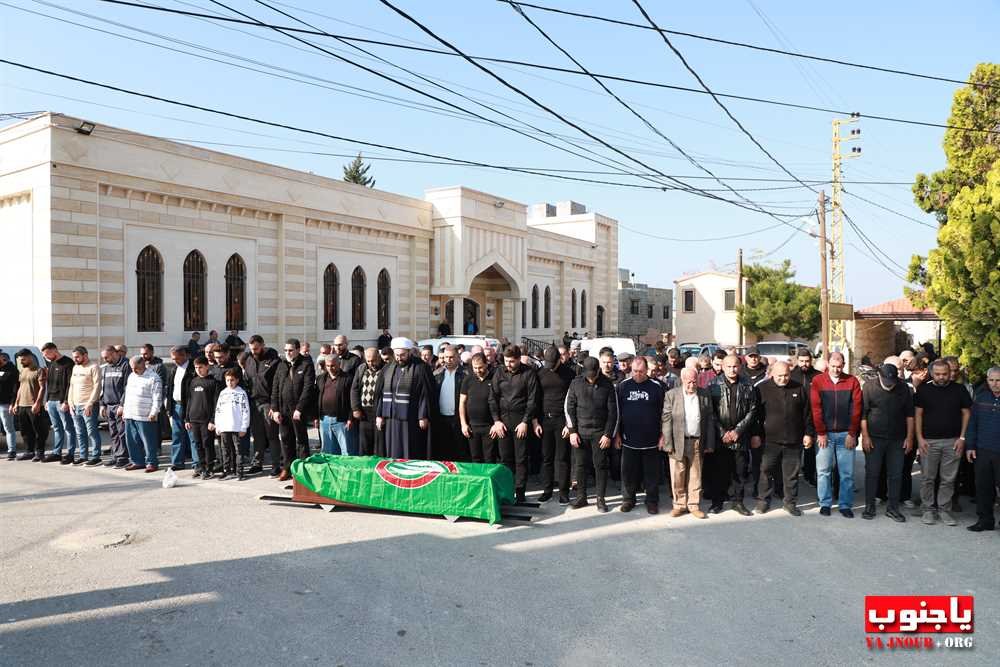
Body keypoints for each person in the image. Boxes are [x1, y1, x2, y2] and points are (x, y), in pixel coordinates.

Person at [914, 358, 972, 526]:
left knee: (948, 479)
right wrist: (920, 438)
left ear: (950, 373)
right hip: (928, 442)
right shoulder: (923, 390)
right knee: (927, 478)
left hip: (952, 441)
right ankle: (928, 510)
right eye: (938, 374)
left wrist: (962, 438)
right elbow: (918, 415)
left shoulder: (959, 390)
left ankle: (944, 510)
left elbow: (966, 414)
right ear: (932, 373)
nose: (941, 377)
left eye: (944, 374)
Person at [754, 361, 813, 516]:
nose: (783, 378)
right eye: (780, 376)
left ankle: (790, 503)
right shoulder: (762, 389)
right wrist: (756, 435)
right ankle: (763, 502)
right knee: (766, 471)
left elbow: (807, 414)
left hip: (794, 440)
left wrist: (808, 433)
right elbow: (755, 416)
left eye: (786, 375)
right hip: (769, 441)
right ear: (772, 373)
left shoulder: (799, 388)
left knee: (791, 475)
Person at [860, 363, 914, 522]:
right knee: (872, 473)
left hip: (897, 439)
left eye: (892, 381)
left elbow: (910, 415)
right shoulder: (869, 388)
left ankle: (893, 508)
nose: (890, 385)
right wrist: (865, 436)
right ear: (880, 376)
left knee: (896, 474)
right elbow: (863, 415)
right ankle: (869, 506)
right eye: (886, 381)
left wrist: (909, 438)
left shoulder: (903, 388)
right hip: (874, 438)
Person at [810, 352, 862, 518]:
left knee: (847, 473)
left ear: (844, 365)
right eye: (833, 366)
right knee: (823, 471)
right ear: (828, 364)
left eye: (839, 366)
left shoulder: (852, 381)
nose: (836, 369)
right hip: (825, 435)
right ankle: (825, 503)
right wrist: (821, 432)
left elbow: (856, 409)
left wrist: (852, 433)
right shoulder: (818, 381)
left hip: (845, 434)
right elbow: (816, 408)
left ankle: (845, 505)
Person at [565, 356, 618, 512]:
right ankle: (581, 497)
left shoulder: (607, 385)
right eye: (587, 374)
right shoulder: (575, 384)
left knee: (600, 466)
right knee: (580, 466)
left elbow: (613, 413)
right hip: (580, 432)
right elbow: (570, 408)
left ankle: (600, 499)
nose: (590, 377)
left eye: (593, 374)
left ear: (598, 371)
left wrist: (608, 434)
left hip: (600, 433)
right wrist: (572, 431)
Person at [707, 354, 759, 516]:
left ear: (740, 366)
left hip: (740, 436)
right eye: (728, 366)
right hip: (720, 437)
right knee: (719, 471)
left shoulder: (748, 385)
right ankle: (717, 502)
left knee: (740, 471)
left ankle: (738, 501)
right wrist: (722, 432)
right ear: (722, 367)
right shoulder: (713, 385)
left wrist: (738, 430)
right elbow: (710, 412)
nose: (732, 369)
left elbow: (752, 410)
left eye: (735, 366)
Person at [662, 367, 716, 518]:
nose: (692, 385)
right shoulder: (671, 395)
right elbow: (666, 420)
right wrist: (668, 443)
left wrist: (710, 442)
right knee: (677, 475)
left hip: (697, 441)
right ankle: (679, 504)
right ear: (682, 380)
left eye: (694, 381)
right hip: (677, 441)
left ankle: (693, 505)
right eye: (689, 382)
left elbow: (710, 419)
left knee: (695, 475)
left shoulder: (704, 394)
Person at [488, 345, 539, 503]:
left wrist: (525, 422)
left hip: (520, 419)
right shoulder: (499, 372)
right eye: (506, 361)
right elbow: (493, 398)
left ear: (518, 359)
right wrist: (496, 421)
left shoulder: (528, 373)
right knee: (505, 458)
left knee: (521, 458)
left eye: (511, 361)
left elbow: (532, 400)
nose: (508, 364)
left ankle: (521, 492)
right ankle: (507, 491)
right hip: (503, 419)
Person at [616, 357, 666, 514]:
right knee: (628, 473)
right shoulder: (623, 386)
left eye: (641, 371)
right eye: (635, 371)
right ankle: (628, 499)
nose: (637, 374)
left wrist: (663, 435)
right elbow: (616, 413)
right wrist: (616, 434)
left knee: (651, 474)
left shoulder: (657, 387)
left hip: (651, 440)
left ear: (647, 371)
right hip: (628, 439)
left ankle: (651, 501)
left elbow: (665, 413)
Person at [375, 337, 436, 460]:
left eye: (402, 355)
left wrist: (423, 415)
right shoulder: (387, 368)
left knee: (410, 451)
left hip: (411, 419)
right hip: (391, 419)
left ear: (409, 352)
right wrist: (379, 415)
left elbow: (426, 394)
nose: (399, 358)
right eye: (396, 355)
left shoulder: (420, 368)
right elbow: (380, 394)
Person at [534, 346, 575, 503]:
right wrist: (535, 421)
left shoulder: (569, 374)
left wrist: (568, 424)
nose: (550, 367)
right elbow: (536, 399)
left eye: (553, 363)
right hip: (544, 420)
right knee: (546, 458)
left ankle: (564, 492)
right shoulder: (541, 373)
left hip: (562, 421)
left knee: (563, 458)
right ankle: (547, 490)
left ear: (560, 360)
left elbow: (572, 401)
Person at [271, 339, 316, 481]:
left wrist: (300, 408)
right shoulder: (282, 365)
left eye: (290, 350)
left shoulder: (306, 364)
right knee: (285, 439)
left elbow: (308, 388)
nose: (288, 353)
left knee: (301, 440)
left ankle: (303, 470)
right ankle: (287, 468)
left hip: (298, 411)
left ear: (297, 349)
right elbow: (275, 388)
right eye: (285, 350)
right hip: (283, 410)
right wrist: (275, 409)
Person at [966, 366, 1000, 532]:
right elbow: (972, 423)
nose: (995, 384)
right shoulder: (980, 398)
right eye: (991, 380)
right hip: (982, 450)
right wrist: (970, 446)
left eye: (998, 380)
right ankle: (985, 520)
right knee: (983, 487)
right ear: (987, 381)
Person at [243, 335, 281, 476]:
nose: (254, 351)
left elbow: (277, 385)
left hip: (268, 404)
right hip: (254, 402)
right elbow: (247, 380)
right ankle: (257, 463)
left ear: (263, 345)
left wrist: (274, 405)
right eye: (252, 349)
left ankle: (276, 464)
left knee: (272, 436)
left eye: (257, 348)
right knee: (257, 436)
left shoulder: (273, 361)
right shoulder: (249, 360)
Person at [121, 355, 162, 472]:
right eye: (132, 368)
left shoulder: (154, 378)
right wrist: (125, 410)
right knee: (132, 440)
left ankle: (151, 463)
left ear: (143, 364)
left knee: (148, 441)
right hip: (130, 413)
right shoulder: (131, 376)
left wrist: (154, 412)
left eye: (136, 368)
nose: (134, 371)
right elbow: (127, 395)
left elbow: (157, 397)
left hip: (145, 415)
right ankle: (137, 461)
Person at [41, 342, 77, 463]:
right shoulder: (51, 364)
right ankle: (57, 452)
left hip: (62, 401)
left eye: (47, 354)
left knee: (68, 428)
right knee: (56, 428)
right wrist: (46, 400)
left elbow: (69, 384)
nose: (46, 357)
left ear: (54, 350)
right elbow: (48, 383)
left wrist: (66, 401)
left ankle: (70, 453)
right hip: (51, 401)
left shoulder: (68, 363)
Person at [183, 356, 219, 479]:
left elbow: (216, 403)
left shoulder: (213, 382)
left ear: (207, 366)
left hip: (206, 420)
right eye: (196, 367)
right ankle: (201, 466)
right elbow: (189, 401)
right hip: (194, 419)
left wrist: (213, 420)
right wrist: (187, 418)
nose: (198, 370)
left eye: (201, 367)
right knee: (197, 444)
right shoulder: (193, 381)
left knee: (207, 444)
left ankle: (209, 468)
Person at [67, 346, 102, 466]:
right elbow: (71, 386)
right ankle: (83, 456)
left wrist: (90, 404)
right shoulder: (75, 367)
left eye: (77, 357)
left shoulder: (94, 367)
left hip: (88, 406)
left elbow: (97, 386)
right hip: (75, 406)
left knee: (91, 432)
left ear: (85, 355)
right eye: (74, 357)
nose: (75, 359)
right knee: (80, 432)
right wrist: (70, 403)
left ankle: (96, 456)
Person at [214, 368, 251, 480]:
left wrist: (244, 427)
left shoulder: (241, 393)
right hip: (225, 427)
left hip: (237, 427)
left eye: (232, 380)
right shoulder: (223, 393)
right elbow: (218, 410)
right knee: (225, 450)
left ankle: (239, 471)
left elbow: (246, 411)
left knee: (238, 450)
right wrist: (218, 425)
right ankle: (226, 470)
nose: (230, 382)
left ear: (237, 380)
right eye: (228, 380)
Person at [434, 345, 468, 461]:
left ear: (458, 357)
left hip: (458, 419)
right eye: (446, 357)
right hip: (441, 419)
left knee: (460, 451)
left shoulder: (465, 375)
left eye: (451, 357)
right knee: (443, 451)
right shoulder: (437, 374)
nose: (448, 360)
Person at [164, 346, 195, 472]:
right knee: (177, 436)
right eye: (173, 359)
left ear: (185, 356)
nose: (175, 361)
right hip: (176, 406)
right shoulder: (174, 370)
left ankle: (197, 463)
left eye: (177, 358)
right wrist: (169, 408)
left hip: (189, 406)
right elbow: (170, 389)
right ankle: (177, 462)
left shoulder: (193, 369)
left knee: (192, 436)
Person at [460, 353, 495, 464]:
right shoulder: (468, 379)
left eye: (480, 367)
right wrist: (463, 424)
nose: (477, 370)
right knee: (475, 459)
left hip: (490, 427)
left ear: (486, 364)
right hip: (472, 427)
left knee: (490, 459)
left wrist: (496, 423)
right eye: (475, 368)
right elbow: (462, 403)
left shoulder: (494, 379)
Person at [14, 350, 49, 461]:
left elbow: (42, 388)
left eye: (23, 359)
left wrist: (38, 403)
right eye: (20, 360)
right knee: (25, 431)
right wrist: (16, 403)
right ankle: (29, 452)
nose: (21, 362)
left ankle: (40, 453)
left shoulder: (39, 370)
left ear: (30, 357)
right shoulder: (23, 370)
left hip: (34, 405)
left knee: (39, 431)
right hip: (22, 406)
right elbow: (20, 388)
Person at [316, 356, 354, 456]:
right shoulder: (321, 378)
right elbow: (316, 398)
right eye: (327, 366)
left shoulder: (348, 378)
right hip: (324, 419)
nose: (330, 368)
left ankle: (346, 471)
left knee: (346, 450)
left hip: (341, 420)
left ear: (339, 364)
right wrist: (316, 417)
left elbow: (352, 399)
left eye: (333, 366)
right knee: (327, 451)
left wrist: (350, 418)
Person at [351, 347, 385, 456]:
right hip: (364, 412)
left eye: (373, 360)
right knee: (364, 445)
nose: (371, 363)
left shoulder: (385, 369)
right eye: (368, 361)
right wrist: (355, 408)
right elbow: (354, 389)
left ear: (379, 358)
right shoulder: (361, 369)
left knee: (379, 444)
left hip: (379, 412)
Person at [0, 352, 18, 459]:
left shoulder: (11, 369)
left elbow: (15, 388)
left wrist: (13, 403)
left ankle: (12, 451)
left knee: (8, 428)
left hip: (6, 404)